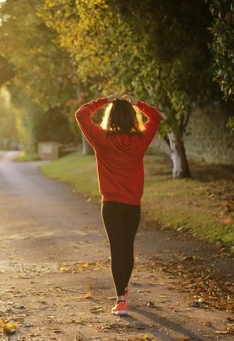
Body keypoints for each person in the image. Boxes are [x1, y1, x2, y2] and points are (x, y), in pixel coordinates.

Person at [75, 93, 162, 316]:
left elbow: (81, 114)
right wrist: (137, 103)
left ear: (110, 117)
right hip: (132, 204)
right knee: (127, 247)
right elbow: (156, 117)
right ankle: (123, 291)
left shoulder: (101, 139)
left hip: (111, 205)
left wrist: (105, 100)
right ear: (132, 118)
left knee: (117, 249)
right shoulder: (141, 140)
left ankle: (121, 299)